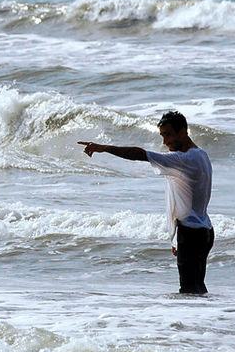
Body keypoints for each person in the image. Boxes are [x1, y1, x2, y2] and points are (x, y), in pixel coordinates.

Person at [78, 111, 214, 294]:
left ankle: (190, 322)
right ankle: (207, 319)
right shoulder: (201, 155)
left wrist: (104, 148)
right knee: (197, 288)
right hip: (203, 231)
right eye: (162, 136)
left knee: (189, 291)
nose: (165, 142)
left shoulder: (184, 160)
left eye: (168, 135)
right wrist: (176, 238)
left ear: (183, 132)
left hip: (191, 233)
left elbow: (139, 154)